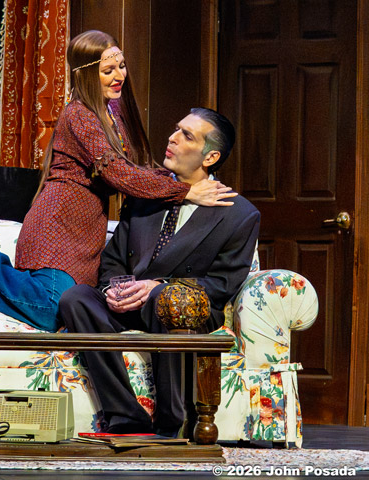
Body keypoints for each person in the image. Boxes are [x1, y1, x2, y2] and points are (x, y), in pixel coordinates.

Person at [0, 31, 236, 332]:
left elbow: (133, 169)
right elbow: (118, 174)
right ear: (86, 73)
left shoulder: (111, 112)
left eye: (121, 66)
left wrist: (178, 181)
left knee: (68, 310)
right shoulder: (79, 115)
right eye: (108, 70)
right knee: (53, 310)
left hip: (84, 233)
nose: (119, 76)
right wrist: (184, 190)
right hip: (58, 226)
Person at [58, 107, 260, 436]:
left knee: (167, 299)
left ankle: (173, 425)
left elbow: (223, 284)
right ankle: (126, 417)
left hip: (185, 310)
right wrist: (114, 290)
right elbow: (113, 259)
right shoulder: (147, 195)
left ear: (210, 157)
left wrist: (158, 287)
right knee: (76, 298)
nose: (172, 138)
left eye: (186, 135)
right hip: (132, 304)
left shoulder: (239, 214)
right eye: (176, 129)